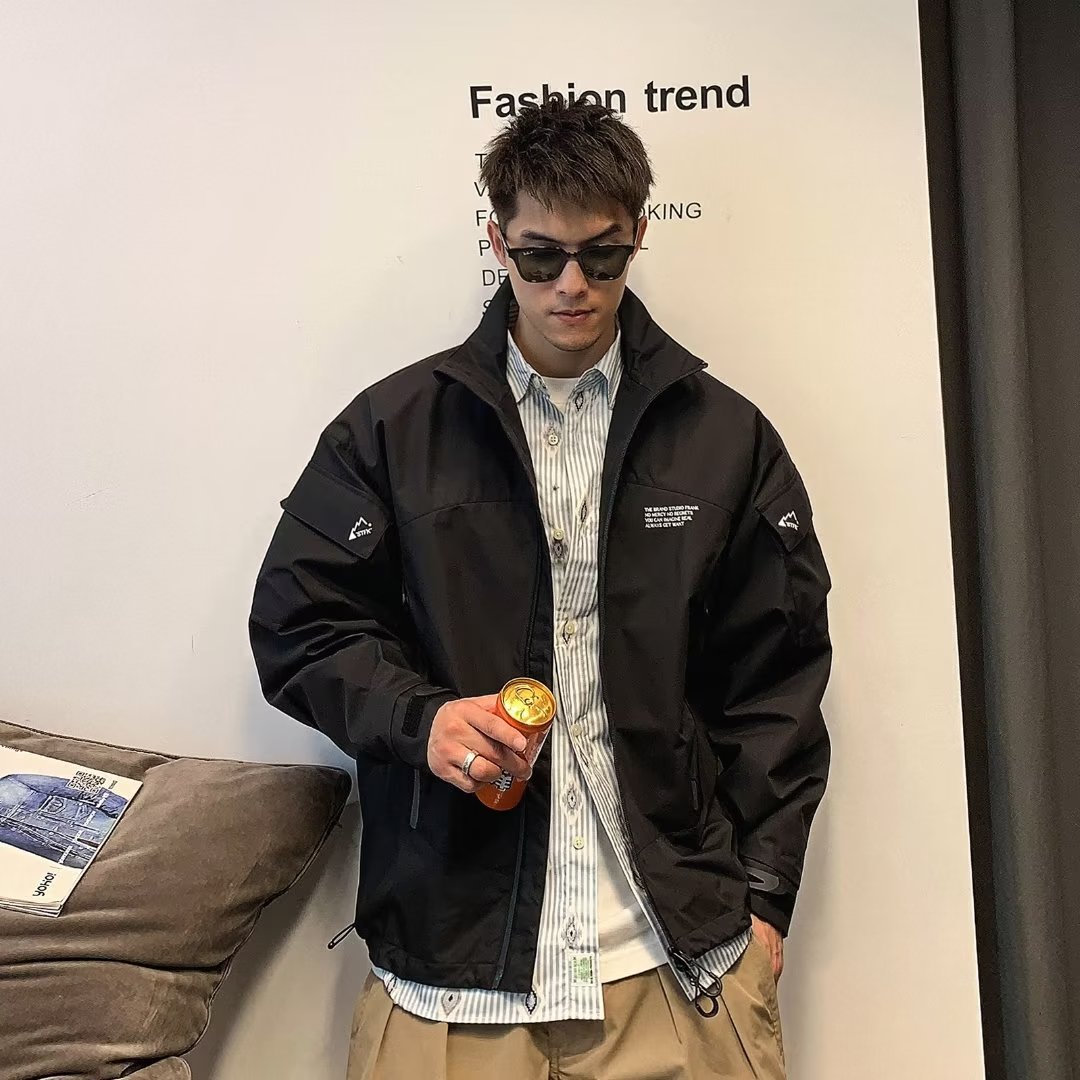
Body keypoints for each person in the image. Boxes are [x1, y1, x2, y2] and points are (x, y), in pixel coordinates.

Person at [249, 98, 831, 1079]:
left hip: (677, 967)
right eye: (540, 256)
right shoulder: (391, 430)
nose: (572, 285)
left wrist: (765, 900)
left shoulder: (726, 440)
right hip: (448, 977)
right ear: (497, 241)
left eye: (601, 256)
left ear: (638, 234)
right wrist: (421, 721)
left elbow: (778, 682)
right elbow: (301, 626)